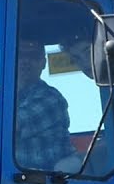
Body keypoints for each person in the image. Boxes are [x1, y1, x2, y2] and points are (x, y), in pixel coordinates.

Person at [14, 38, 80, 172]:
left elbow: (9, 128)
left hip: (48, 182)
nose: (25, 62)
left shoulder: (50, 97)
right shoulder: (1, 98)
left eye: (33, 57)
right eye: (20, 56)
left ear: (43, 63)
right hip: (15, 176)